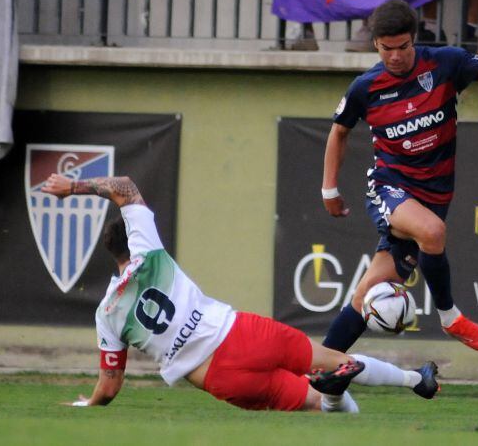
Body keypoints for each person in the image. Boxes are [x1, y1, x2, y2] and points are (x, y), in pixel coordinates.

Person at [41, 173, 440, 412]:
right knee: (335, 361)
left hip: (215, 375)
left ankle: (333, 397)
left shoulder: (107, 312)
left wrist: (88, 404)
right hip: (240, 332)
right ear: (133, 234)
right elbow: (124, 187)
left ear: (112, 254)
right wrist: (72, 186)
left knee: (314, 403)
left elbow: (110, 386)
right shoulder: (148, 249)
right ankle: (412, 381)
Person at [320, 0, 478, 354]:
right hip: (390, 186)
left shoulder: (444, 64)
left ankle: (319, 377)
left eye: (403, 47)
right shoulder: (365, 88)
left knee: (366, 294)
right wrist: (329, 189)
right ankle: (450, 317)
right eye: (387, 49)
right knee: (432, 232)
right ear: (375, 45)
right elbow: (339, 132)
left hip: (435, 196)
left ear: (414, 39)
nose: (395, 56)